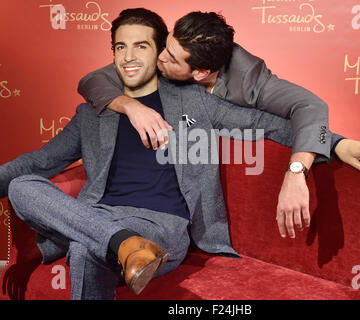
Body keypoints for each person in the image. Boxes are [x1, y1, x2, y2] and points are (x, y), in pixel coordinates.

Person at [0, 8, 322, 300]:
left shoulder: (196, 102)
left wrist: (335, 145)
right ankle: (123, 244)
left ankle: (123, 243)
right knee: (21, 185)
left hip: (160, 225)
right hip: (98, 214)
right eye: (120, 47)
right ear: (111, 55)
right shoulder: (91, 114)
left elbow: (267, 124)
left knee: (85, 248)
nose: (129, 56)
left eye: (141, 46)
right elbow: (40, 161)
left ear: (160, 53)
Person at [78, 11, 360, 239]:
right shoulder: (165, 52)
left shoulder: (250, 82)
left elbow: (305, 108)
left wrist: (316, 158)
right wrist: (131, 106)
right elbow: (92, 80)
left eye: (171, 59)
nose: (160, 59)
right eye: (165, 47)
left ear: (201, 73)